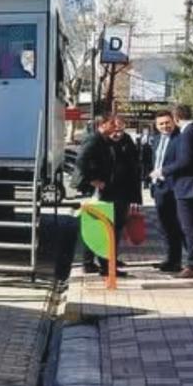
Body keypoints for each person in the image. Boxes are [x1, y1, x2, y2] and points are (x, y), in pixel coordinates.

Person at [155, 104, 193, 278]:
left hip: (187, 186)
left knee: (188, 228)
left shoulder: (186, 134)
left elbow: (185, 161)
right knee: (188, 226)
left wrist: (162, 171)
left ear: (176, 117)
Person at [74, 116, 115, 274]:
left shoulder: (104, 140)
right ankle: (93, 263)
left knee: (98, 225)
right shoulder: (93, 139)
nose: (114, 127)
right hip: (93, 189)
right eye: (111, 124)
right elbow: (81, 160)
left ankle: (91, 262)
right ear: (102, 124)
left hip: (102, 186)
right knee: (96, 225)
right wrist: (92, 180)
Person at [147, 111, 183, 273]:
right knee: (164, 225)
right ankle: (170, 258)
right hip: (158, 187)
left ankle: (176, 261)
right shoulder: (156, 139)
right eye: (161, 124)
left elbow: (181, 162)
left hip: (173, 187)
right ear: (156, 125)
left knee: (174, 225)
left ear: (174, 122)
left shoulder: (180, 139)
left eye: (167, 122)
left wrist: (163, 173)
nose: (164, 126)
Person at [107, 116, 144, 269]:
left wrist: (136, 197)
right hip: (106, 191)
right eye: (115, 130)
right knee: (102, 227)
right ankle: (90, 262)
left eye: (121, 131)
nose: (118, 134)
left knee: (118, 227)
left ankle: (112, 258)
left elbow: (134, 169)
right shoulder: (101, 142)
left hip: (123, 192)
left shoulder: (128, 142)